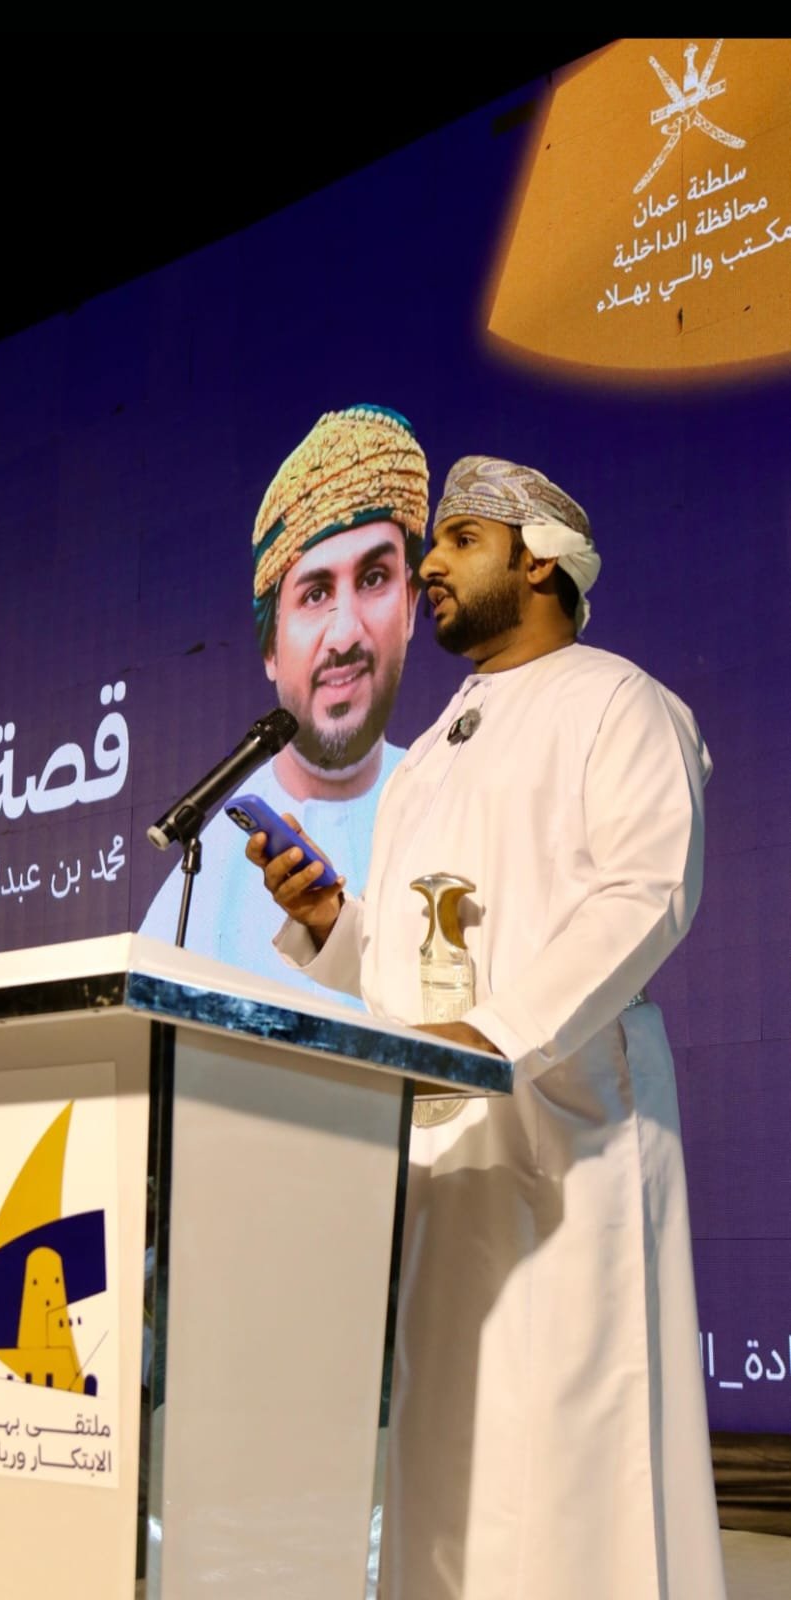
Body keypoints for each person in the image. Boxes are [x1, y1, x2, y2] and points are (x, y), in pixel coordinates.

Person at [247, 454, 726, 1599]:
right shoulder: (432, 750)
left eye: (461, 540)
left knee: (577, 1443)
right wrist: (333, 923)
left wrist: (498, 1035)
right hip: (445, 1145)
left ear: (539, 561)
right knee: (447, 1435)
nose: (430, 564)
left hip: (572, 1127)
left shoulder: (618, 700)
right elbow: (421, 949)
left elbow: (646, 891)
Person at [140, 404, 427, 1000]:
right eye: (316, 593)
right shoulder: (213, 864)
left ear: (411, 608)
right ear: (270, 646)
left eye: (374, 579)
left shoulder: (446, 796)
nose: (344, 633)